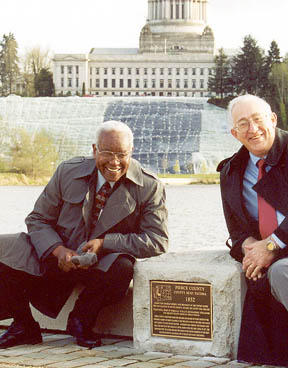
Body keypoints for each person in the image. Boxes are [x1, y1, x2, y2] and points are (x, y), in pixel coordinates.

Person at [0, 120, 168, 349]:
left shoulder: (149, 186)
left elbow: (157, 240)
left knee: (123, 267)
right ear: (94, 150)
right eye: (107, 153)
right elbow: (38, 219)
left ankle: (81, 320)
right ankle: (24, 326)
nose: (115, 162)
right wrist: (57, 250)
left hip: (100, 266)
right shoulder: (67, 171)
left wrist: (105, 243)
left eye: (122, 154)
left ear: (132, 152)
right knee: (4, 249)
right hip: (56, 258)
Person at [217, 94, 288, 366]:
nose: (253, 129)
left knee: (282, 271)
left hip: (281, 257)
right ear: (235, 133)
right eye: (243, 124)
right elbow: (235, 232)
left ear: (273, 119)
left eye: (258, 119)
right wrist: (250, 249)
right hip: (266, 263)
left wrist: (271, 245)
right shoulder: (231, 171)